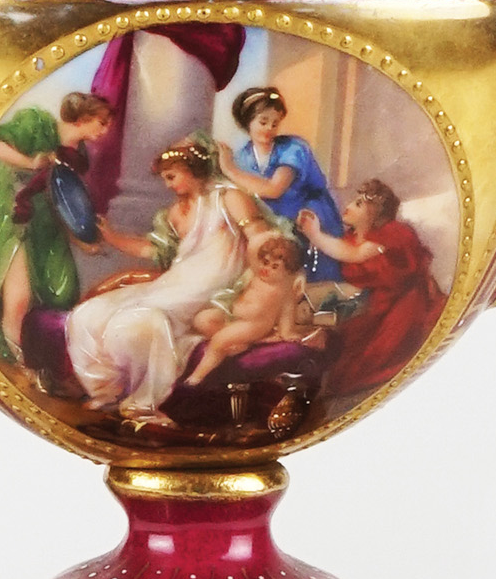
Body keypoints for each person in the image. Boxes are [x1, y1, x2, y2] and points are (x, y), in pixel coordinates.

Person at [66, 136, 265, 414]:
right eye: (164, 179)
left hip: (214, 285)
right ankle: (107, 390)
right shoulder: (176, 213)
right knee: (88, 314)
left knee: (136, 320)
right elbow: (153, 251)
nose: (168, 185)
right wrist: (112, 237)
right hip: (178, 281)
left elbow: (260, 238)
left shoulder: (228, 198)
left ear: (192, 170)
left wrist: (265, 278)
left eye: (171, 176)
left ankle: (145, 401)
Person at [0, 91, 115, 362]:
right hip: (8, 205)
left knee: (61, 287)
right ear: (83, 118)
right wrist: (31, 163)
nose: (106, 130)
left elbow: (62, 199)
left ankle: (34, 351)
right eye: (102, 122)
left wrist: (81, 237)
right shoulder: (37, 123)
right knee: (18, 295)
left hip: (42, 215)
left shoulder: (77, 155)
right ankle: (18, 359)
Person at [298, 177, 445, 396]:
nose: (349, 206)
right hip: (373, 297)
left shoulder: (391, 234)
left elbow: (354, 255)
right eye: (354, 201)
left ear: (375, 214)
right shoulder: (352, 236)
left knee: (366, 358)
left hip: (399, 303)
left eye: (358, 204)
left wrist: (316, 235)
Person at [216, 86, 346, 281]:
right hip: (273, 218)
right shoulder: (242, 157)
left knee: (306, 272)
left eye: (275, 123)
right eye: (263, 122)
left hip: (308, 212)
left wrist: (230, 170)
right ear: (247, 122)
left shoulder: (293, 148)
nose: (269, 128)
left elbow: (274, 189)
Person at [182, 229, 323, 386]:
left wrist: (287, 332)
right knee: (202, 320)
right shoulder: (256, 274)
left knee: (219, 341)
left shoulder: (283, 290)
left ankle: (196, 378)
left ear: (287, 272)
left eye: (275, 267)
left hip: (253, 325)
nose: (266, 269)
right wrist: (273, 235)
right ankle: (239, 345)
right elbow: (253, 248)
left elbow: (286, 313)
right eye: (265, 262)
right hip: (233, 317)